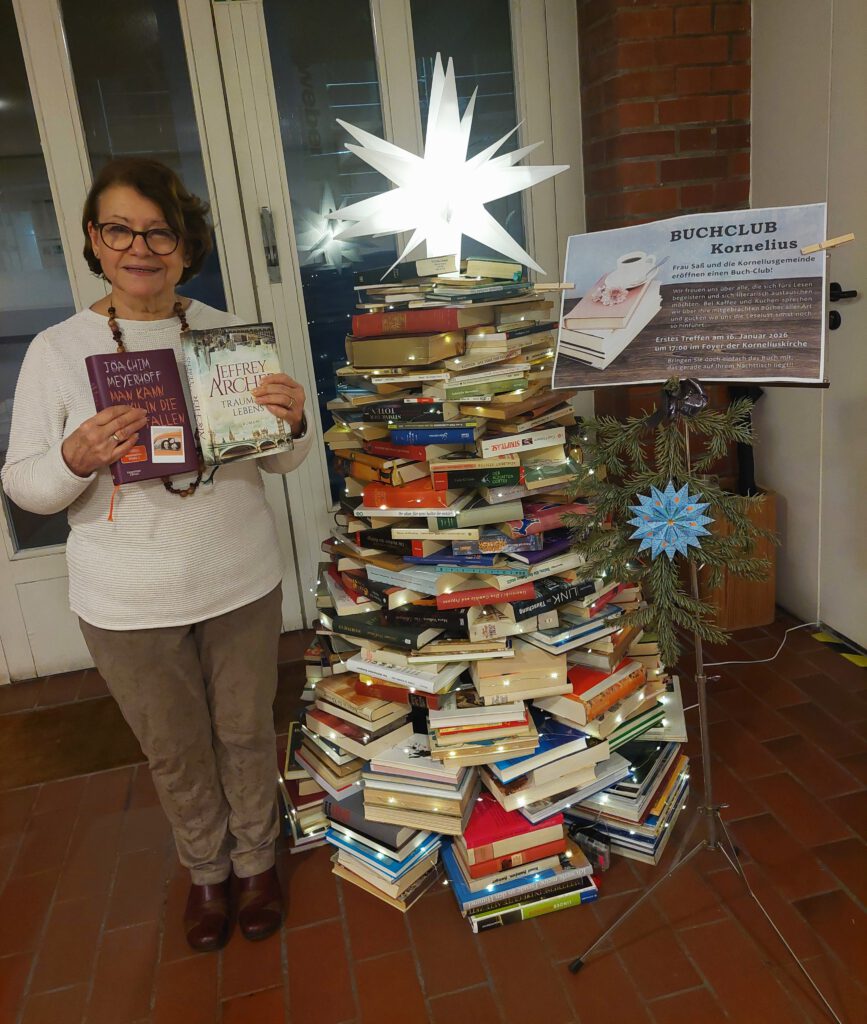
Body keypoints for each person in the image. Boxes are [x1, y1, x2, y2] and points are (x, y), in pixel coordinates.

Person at [2, 157, 312, 953]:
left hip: (238, 578)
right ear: (93, 240)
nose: (140, 248)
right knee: (174, 752)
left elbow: (279, 459)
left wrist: (292, 422)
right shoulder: (57, 351)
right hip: (126, 599)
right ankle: (207, 871)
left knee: (245, 731)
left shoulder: (225, 335)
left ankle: (256, 862)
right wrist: (72, 458)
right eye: (120, 231)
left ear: (185, 244)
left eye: (159, 232)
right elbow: (24, 483)